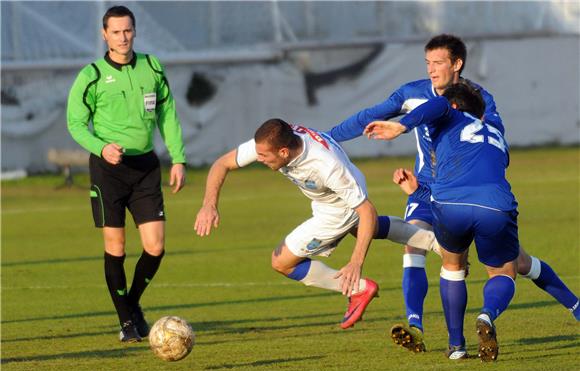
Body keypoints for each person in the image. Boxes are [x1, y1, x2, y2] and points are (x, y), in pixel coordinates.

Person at [328, 34, 579, 353]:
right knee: (414, 247)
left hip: (453, 190)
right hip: (430, 191)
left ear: (457, 64)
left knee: (516, 262)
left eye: (438, 63)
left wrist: (403, 127)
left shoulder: (477, 97)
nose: (431, 70)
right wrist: (328, 138)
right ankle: (417, 326)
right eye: (427, 63)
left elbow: (485, 137)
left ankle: (571, 306)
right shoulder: (412, 93)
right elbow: (370, 116)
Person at [194, 118, 442, 329]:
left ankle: (358, 288)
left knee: (282, 262)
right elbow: (221, 163)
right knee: (365, 229)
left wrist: (356, 262)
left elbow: (366, 211)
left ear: (283, 152)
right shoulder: (275, 139)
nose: (258, 159)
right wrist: (208, 204)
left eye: (263, 156)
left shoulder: (324, 165)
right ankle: (439, 244)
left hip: (338, 208)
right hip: (339, 190)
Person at [364, 82, 519, 361]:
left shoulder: (449, 112)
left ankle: (456, 347)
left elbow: (438, 105)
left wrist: (402, 126)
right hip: (495, 204)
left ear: (454, 107)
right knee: (504, 273)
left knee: (452, 266)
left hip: (449, 204)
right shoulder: (496, 129)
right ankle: (487, 314)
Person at [67, 5, 186, 343]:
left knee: (155, 246)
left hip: (145, 168)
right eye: (116, 32)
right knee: (116, 248)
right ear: (104, 34)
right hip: (109, 171)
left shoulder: (152, 67)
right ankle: (127, 322)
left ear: (135, 31)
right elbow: (75, 124)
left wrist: (178, 158)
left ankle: (130, 305)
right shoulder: (90, 75)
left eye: (128, 30)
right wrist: (100, 146)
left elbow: (168, 114)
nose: (123, 37)